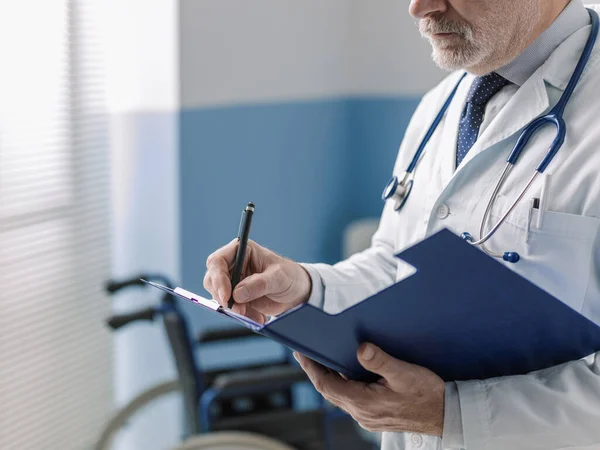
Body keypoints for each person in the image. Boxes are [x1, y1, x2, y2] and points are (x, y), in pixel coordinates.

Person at [204, 0, 600, 448]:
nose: (419, 8)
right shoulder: (441, 107)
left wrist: (453, 415)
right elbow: (397, 266)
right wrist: (304, 286)